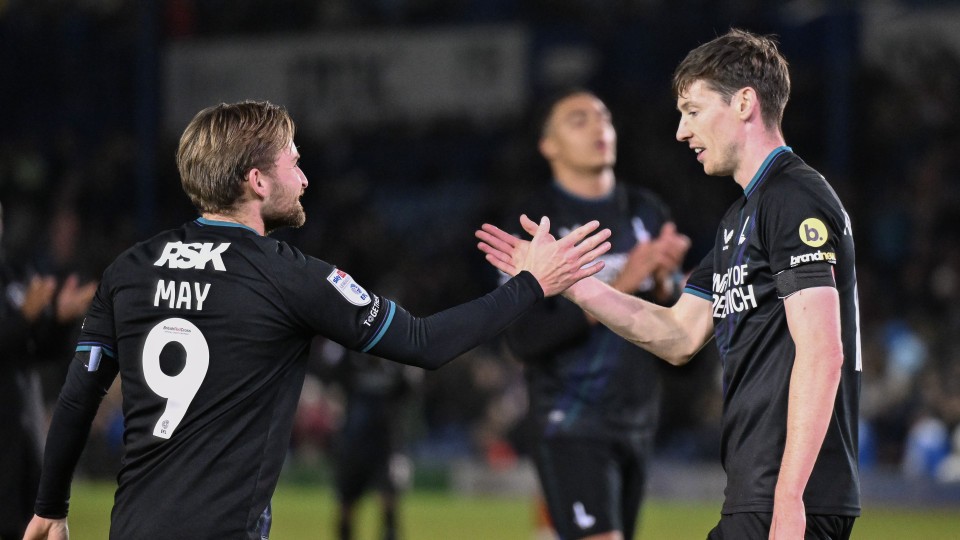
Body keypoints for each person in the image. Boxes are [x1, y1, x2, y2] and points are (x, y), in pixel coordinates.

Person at [23, 100, 613, 540]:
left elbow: (77, 398)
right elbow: (425, 342)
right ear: (256, 181)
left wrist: (51, 507)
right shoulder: (292, 277)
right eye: (294, 164)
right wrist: (534, 283)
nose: (304, 179)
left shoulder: (129, 268)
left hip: (130, 528)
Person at [478, 29, 862, 540]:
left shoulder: (792, 198)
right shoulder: (739, 221)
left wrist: (789, 499)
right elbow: (678, 334)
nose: (681, 131)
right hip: (756, 493)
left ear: (745, 102)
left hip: (791, 498)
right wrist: (568, 281)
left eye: (693, 110)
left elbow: (822, 352)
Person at [498, 89, 689, 540]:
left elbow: (676, 337)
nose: (599, 127)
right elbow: (522, 339)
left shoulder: (646, 211)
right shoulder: (534, 221)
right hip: (570, 418)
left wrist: (667, 286)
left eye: (604, 117)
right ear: (549, 145)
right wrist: (623, 284)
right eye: (578, 119)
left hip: (639, 419)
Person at [0, 202, 96, 540]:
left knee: (27, 523)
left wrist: (57, 319)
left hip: (21, 429)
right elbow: (16, 330)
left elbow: (39, 351)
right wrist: (22, 319)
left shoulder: (12, 273)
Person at [316, 345, 417, 540]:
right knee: (347, 501)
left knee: (388, 496)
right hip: (354, 441)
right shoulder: (350, 353)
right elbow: (334, 381)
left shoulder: (396, 359)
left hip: (385, 440)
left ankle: (390, 532)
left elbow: (408, 392)